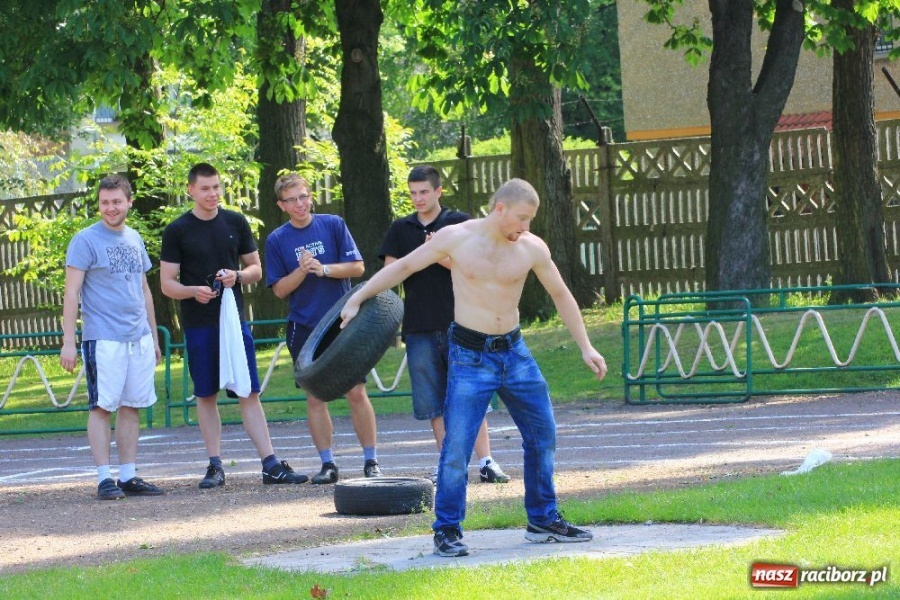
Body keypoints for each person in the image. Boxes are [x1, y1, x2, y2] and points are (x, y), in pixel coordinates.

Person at [341, 178, 608, 557]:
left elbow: (561, 294)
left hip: (515, 353)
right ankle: (447, 530)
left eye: (530, 220)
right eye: (521, 218)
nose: (525, 227)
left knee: (543, 433)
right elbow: (402, 268)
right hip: (469, 355)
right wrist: (358, 298)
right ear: (500, 208)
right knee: (457, 447)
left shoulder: (531, 247)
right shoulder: (456, 238)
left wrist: (586, 346)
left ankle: (543, 519)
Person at [160, 162, 307, 488]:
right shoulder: (177, 230)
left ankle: (270, 463)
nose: (212, 194)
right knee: (206, 394)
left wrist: (236, 276)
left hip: (235, 321)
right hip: (199, 324)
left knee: (249, 391)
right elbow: (167, 284)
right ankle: (215, 466)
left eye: (216, 187)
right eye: (205, 189)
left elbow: (255, 269)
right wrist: (192, 291)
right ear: (191, 190)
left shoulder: (235, 222)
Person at [379, 165, 509, 484]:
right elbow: (392, 272)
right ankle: (449, 465)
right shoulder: (400, 229)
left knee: (470, 392)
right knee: (433, 400)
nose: (418, 198)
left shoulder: (460, 222)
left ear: (438, 191)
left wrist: (439, 254)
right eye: (413, 193)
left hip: (462, 322)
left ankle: (487, 461)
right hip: (418, 325)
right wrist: (425, 251)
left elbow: (474, 267)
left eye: (424, 192)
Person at [265, 172, 382, 484]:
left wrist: (324, 268)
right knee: (316, 397)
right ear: (282, 205)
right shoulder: (277, 240)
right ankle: (327, 464)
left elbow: (358, 267)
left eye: (303, 196)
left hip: (341, 320)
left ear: (310, 196)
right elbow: (279, 290)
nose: (299, 203)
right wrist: (302, 271)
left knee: (356, 391)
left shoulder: (333, 224)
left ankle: (371, 461)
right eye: (291, 200)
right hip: (304, 327)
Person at [60, 174, 165, 500]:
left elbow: (144, 289)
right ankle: (104, 477)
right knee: (102, 407)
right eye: (105, 203)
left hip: (138, 338)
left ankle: (129, 475)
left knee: (131, 405)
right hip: (104, 338)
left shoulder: (134, 238)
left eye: (116, 201)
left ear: (129, 202)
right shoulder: (85, 240)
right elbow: (71, 293)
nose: (110, 208)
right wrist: (68, 340)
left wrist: (153, 335)